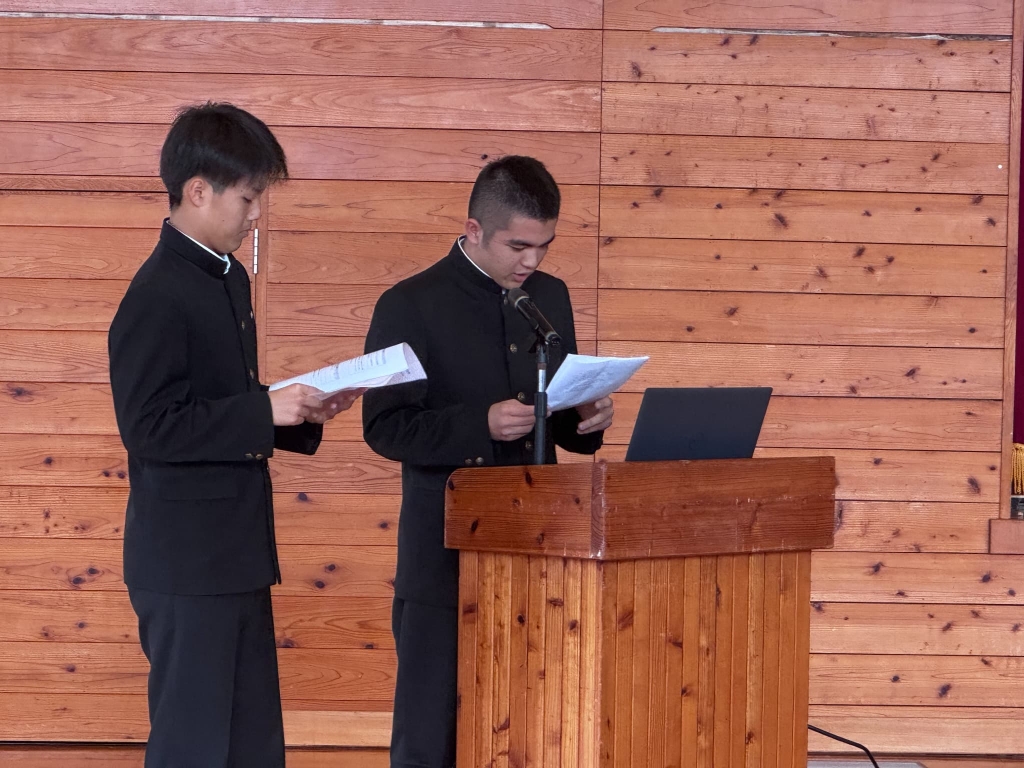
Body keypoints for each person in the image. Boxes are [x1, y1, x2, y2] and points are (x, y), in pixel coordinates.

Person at [108, 102, 361, 768]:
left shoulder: (228, 279)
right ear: (198, 191)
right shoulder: (156, 294)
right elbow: (149, 425)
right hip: (186, 562)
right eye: (248, 198)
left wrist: (300, 412)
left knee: (252, 743)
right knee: (194, 747)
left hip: (235, 553)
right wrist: (263, 411)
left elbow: (224, 403)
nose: (256, 214)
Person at [362, 155, 615, 768]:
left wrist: (586, 419)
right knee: (431, 731)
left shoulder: (550, 296)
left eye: (544, 246)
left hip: (537, 546)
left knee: (530, 722)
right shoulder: (409, 304)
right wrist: (479, 425)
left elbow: (557, 417)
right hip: (443, 557)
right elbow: (385, 427)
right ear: (474, 229)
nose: (532, 262)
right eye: (518, 246)